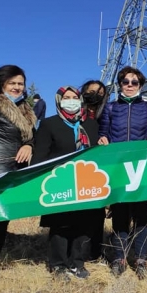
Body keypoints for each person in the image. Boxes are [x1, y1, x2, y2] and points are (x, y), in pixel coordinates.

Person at [32, 86, 103, 281]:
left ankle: (77, 262)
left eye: (74, 97)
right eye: (67, 97)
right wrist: (39, 180)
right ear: (59, 100)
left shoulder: (90, 124)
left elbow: (97, 152)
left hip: (86, 182)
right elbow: (40, 155)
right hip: (60, 182)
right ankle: (59, 264)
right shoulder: (49, 124)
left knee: (85, 224)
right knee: (61, 225)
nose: (71, 100)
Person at [98, 66, 147, 279]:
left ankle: (141, 259)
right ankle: (119, 257)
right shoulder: (111, 108)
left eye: (135, 82)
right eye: (126, 82)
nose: (130, 86)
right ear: (120, 85)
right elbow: (103, 132)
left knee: (142, 216)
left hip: (141, 169)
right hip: (117, 169)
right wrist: (103, 139)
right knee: (120, 215)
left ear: (141, 86)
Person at [0, 65, 36, 287]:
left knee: (1, 222)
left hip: (11, 175)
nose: (17, 87)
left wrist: (29, 145)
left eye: (20, 83)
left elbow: (28, 137)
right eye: (12, 82)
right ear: (1, 83)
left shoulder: (24, 110)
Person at [79, 80, 108, 261]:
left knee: (97, 214)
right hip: (79, 168)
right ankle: (78, 253)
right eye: (91, 91)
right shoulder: (76, 116)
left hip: (99, 170)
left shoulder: (105, 116)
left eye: (100, 92)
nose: (95, 95)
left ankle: (95, 253)